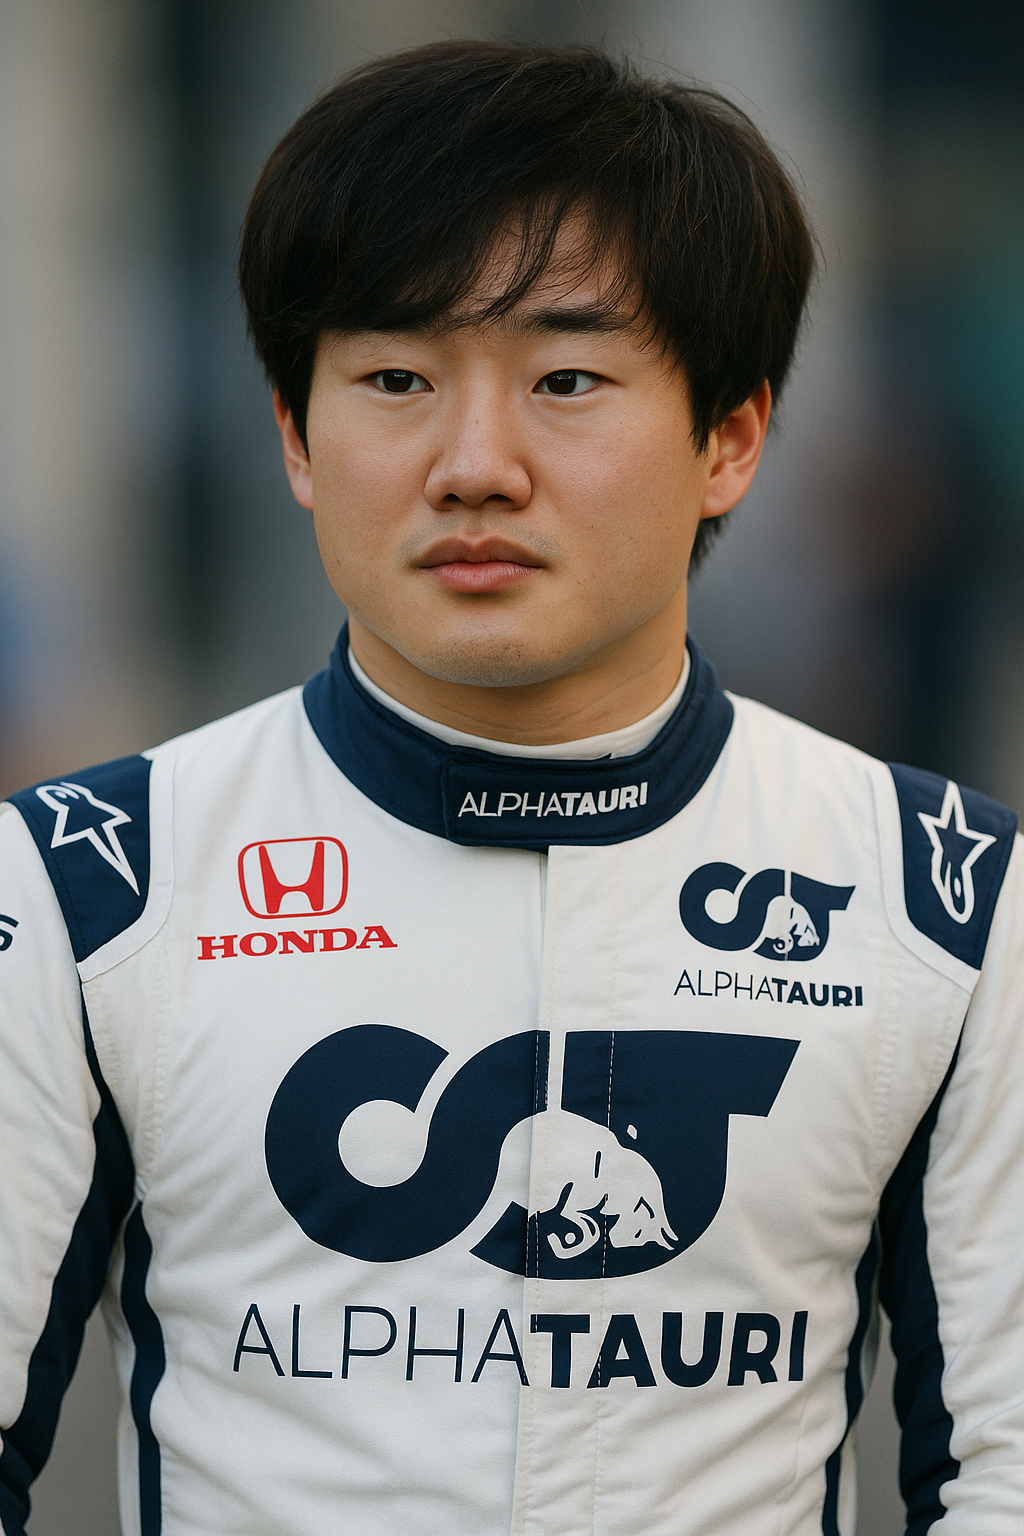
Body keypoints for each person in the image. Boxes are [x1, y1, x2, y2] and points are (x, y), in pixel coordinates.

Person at [0, 39, 1021, 1536]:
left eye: (567, 378)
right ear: (295, 433)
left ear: (729, 438)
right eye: (396, 379)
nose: (476, 464)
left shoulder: (947, 901)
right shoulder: (88, 883)